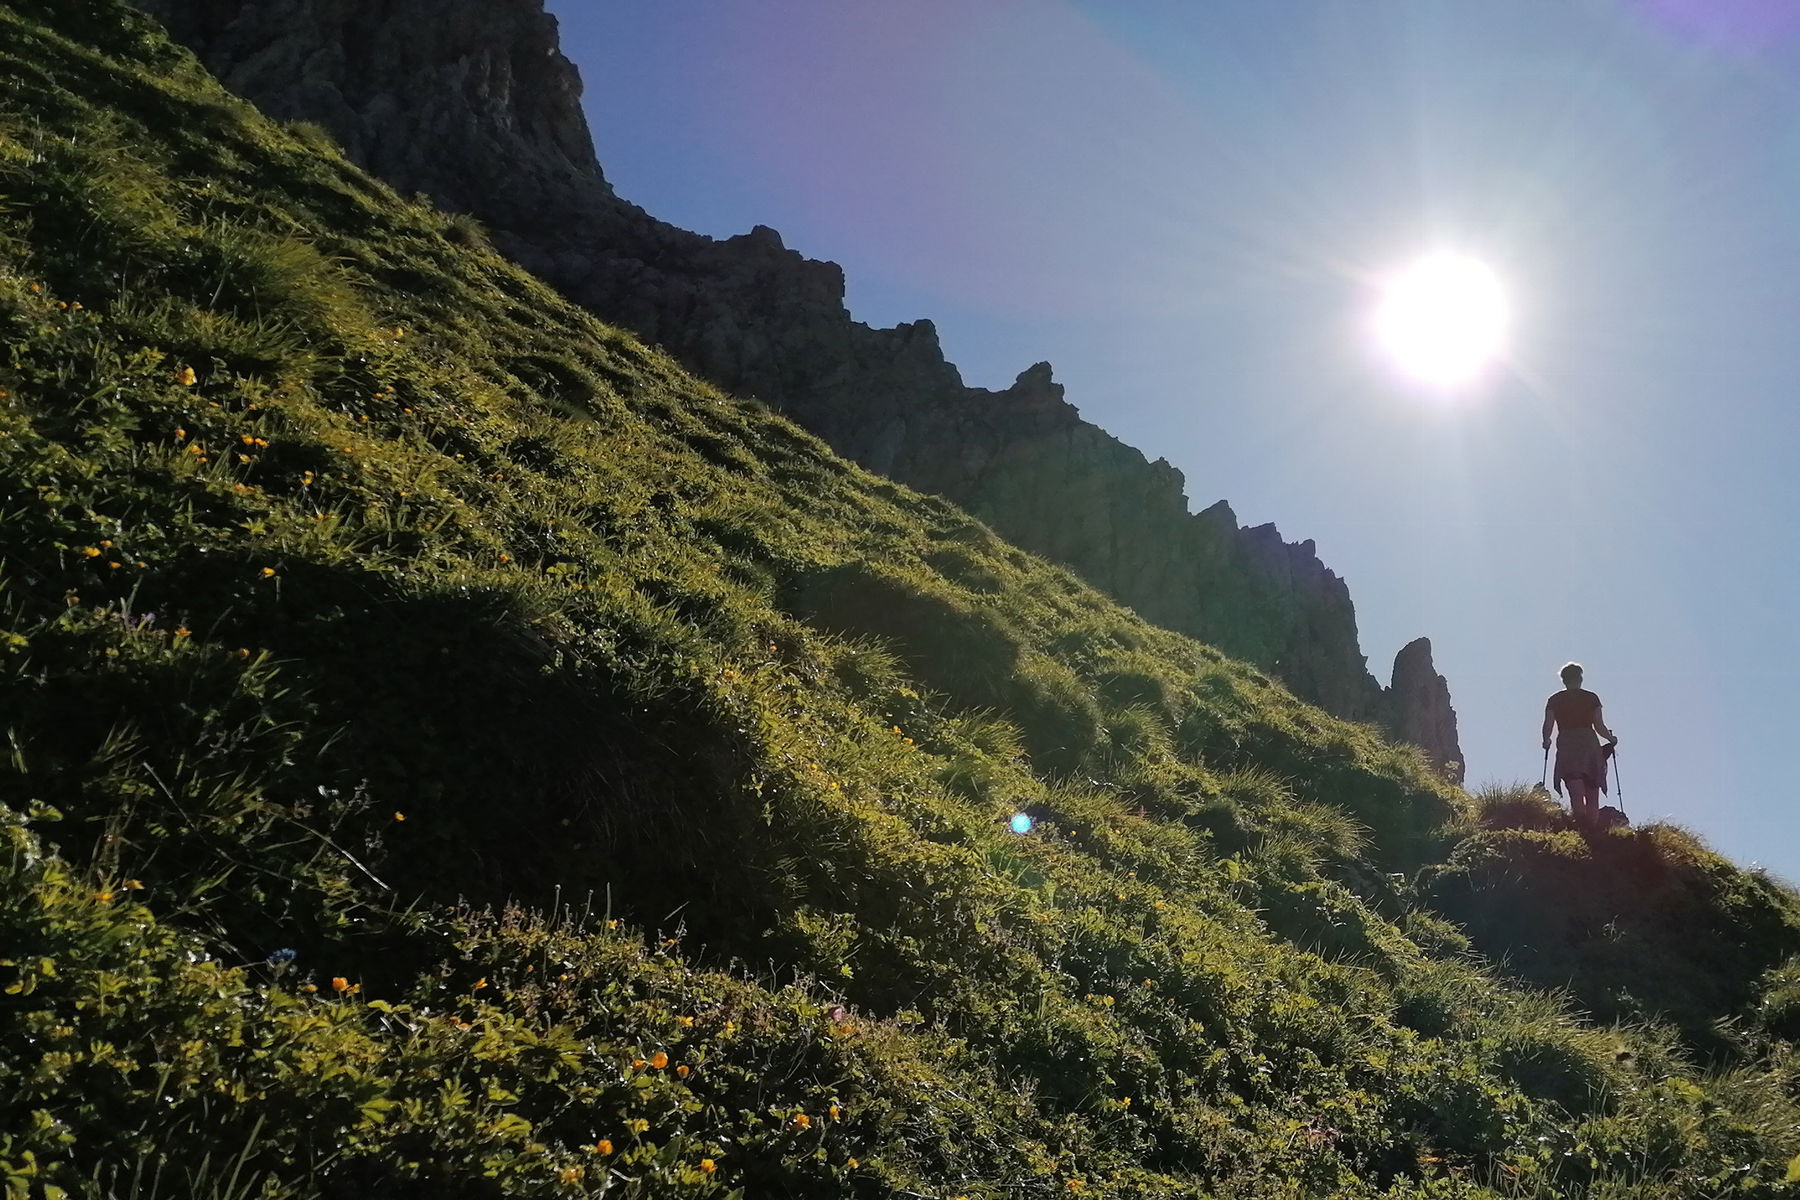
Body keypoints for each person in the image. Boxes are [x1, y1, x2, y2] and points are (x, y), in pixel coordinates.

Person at [1541, 662, 1617, 826]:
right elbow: (1599, 725)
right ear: (1580, 678)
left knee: (1574, 782)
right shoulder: (1591, 698)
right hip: (1588, 742)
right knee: (1592, 785)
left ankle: (1581, 825)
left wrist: (1546, 740)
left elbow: (1548, 725)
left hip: (1567, 742)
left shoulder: (1555, 700)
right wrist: (1611, 739)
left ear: (1563, 680)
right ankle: (1592, 829)